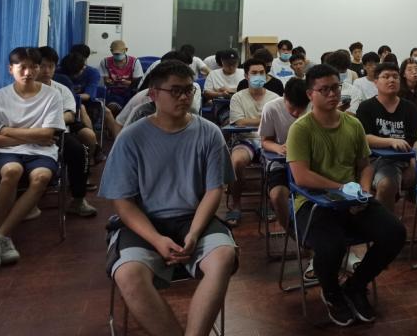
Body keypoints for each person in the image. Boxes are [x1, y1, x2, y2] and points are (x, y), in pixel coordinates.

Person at [99, 60, 237, 336]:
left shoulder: (209, 133)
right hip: (144, 222)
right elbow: (123, 203)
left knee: (224, 256)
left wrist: (194, 233)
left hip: (193, 218)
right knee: (128, 273)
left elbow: (214, 190)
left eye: (189, 90)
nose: (184, 97)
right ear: (153, 94)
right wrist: (156, 239)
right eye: (175, 91)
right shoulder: (131, 138)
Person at [287, 64, 406, 326]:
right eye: (324, 89)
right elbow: (302, 176)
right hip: (314, 203)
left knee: (395, 233)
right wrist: (341, 189)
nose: (332, 94)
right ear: (310, 94)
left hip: (352, 200)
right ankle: (331, 292)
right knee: (332, 245)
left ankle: (355, 285)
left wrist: (362, 192)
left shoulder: (352, 124)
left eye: (336, 88)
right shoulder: (301, 128)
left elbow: (365, 165)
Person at [0, 47, 65, 268]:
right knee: (11, 172)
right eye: (22, 67)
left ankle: (0, 237)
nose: (28, 72)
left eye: (33, 67)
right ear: (11, 69)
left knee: (41, 177)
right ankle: (4, 239)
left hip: (42, 152)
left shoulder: (52, 95)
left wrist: (7, 130)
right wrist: (33, 136)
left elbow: (47, 135)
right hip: (8, 153)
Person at [36, 46, 97, 217]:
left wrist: (47, 126)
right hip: (27, 132)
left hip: (58, 131)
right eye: (42, 66)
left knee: (79, 150)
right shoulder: (24, 88)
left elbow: (69, 115)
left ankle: (78, 199)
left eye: (50, 66)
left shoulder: (61, 89)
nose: (46, 70)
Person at [356, 62, 417, 213]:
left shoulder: (410, 108)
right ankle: (383, 223)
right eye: (385, 77)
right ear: (375, 81)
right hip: (373, 159)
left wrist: (414, 162)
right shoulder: (366, 107)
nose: (391, 80)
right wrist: (391, 141)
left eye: (395, 77)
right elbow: (364, 138)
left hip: (402, 160)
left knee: (392, 181)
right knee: (387, 184)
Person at [225, 59, 280, 227]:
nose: (258, 76)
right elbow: (239, 122)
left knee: (278, 164)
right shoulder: (238, 97)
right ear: (246, 76)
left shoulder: (275, 98)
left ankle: (267, 203)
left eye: (261, 73)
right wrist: (264, 119)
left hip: (268, 141)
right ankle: (236, 205)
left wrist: (253, 120)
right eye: (254, 73)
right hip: (246, 140)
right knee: (236, 161)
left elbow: (277, 123)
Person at [259, 78, 310, 233]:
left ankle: (310, 229)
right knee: (277, 196)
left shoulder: (315, 106)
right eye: (292, 108)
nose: (296, 114)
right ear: (284, 97)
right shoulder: (271, 108)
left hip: (310, 163)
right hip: (281, 163)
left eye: (301, 109)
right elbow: (265, 141)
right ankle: (291, 231)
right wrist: (278, 148)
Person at [99, 40, 144, 106]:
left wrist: (128, 83)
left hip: (129, 91)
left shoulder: (135, 62)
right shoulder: (105, 62)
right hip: (112, 92)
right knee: (112, 104)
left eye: (120, 53)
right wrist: (108, 81)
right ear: (111, 51)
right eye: (115, 54)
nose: (118, 55)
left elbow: (137, 83)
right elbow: (106, 80)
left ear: (126, 50)